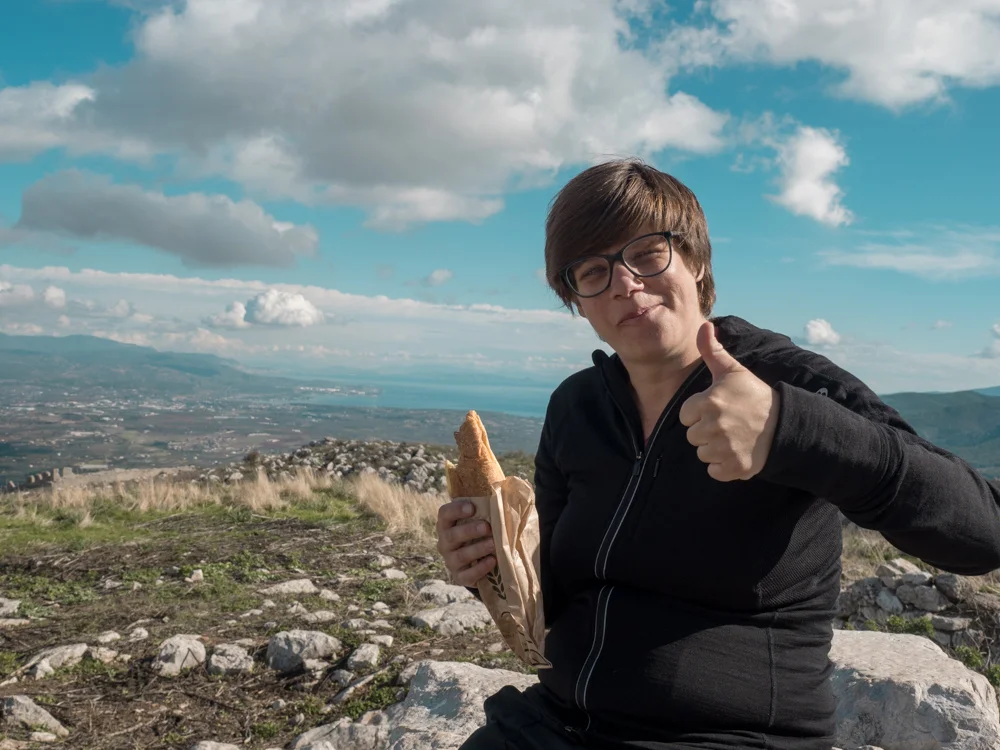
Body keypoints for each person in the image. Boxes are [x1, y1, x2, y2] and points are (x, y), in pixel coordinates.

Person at [435, 158, 1000, 750]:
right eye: (593, 270)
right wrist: (493, 563)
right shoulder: (577, 406)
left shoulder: (789, 381)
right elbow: (556, 593)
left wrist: (793, 430)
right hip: (555, 722)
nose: (625, 283)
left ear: (697, 261)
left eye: (647, 253)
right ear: (575, 300)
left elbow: (981, 532)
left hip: (731, 735)